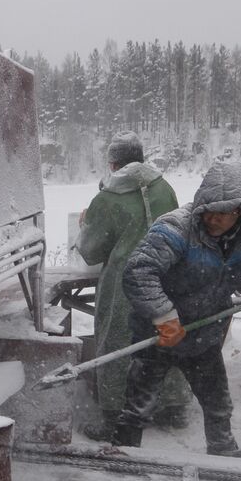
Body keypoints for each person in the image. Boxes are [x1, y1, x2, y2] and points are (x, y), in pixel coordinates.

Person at [115, 162, 241, 458]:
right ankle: (122, 456)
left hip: (203, 334)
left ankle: (223, 453)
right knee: (139, 405)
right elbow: (139, 271)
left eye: (222, 213)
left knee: (217, 403)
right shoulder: (175, 229)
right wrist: (163, 315)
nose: (212, 218)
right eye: (208, 210)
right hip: (158, 335)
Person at [76, 131, 191, 442]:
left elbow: (91, 251)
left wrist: (85, 225)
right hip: (166, 276)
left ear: (113, 164)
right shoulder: (164, 188)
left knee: (118, 343)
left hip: (124, 284)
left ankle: (115, 415)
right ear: (141, 158)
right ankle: (173, 406)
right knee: (166, 334)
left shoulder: (106, 198)